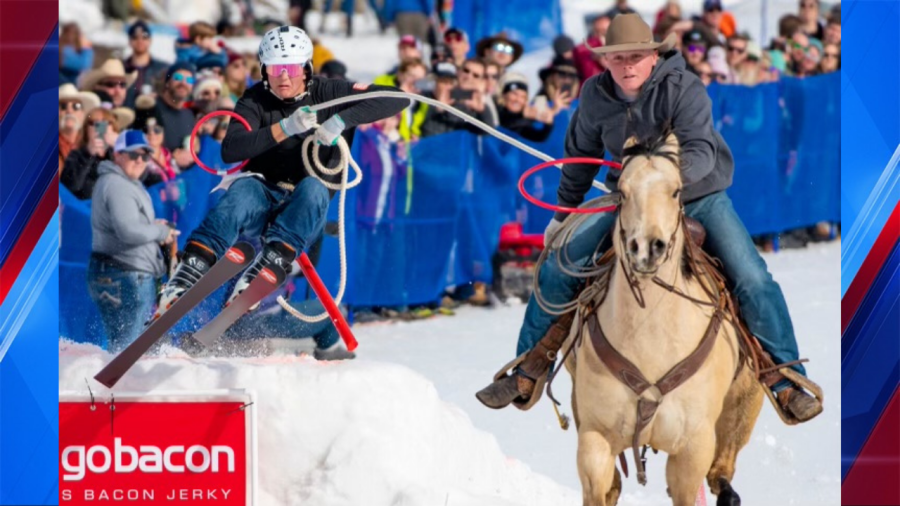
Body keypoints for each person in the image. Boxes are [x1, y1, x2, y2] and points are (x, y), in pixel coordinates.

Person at [475, 14, 823, 424]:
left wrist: (660, 179)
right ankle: (528, 369)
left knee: (752, 276)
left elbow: (701, 150)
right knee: (558, 264)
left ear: (654, 57)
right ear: (605, 60)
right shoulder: (594, 96)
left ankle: (785, 378)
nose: (627, 65)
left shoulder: (684, 88)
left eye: (636, 56)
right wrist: (563, 214)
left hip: (697, 196)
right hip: (628, 200)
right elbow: (577, 161)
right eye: (618, 57)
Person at [154, 27, 407, 358]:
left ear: (306, 68)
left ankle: (270, 265)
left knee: (315, 187)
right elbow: (231, 149)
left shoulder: (329, 91)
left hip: (304, 209)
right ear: (264, 70)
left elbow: (397, 97)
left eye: (290, 69)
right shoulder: (254, 99)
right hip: (264, 193)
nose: (283, 78)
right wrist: (283, 128)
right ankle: (190, 270)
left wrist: (340, 121)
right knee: (240, 194)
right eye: (275, 69)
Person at [88, 130, 179, 352]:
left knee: (122, 346)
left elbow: (123, 223)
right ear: (117, 155)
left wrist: (153, 224)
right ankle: (121, 385)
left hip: (120, 272)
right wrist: (159, 232)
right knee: (128, 349)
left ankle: (118, 383)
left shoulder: (122, 182)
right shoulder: (118, 184)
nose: (139, 161)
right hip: (125, 274)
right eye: (132, 155)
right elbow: (128, 231)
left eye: (145, 156)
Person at [61, 107, 120, 199]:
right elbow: (71, 187)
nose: (100, 128)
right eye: (94, 123)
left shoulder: (121, 153)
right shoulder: (76, 155)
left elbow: (138, 178)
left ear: (113, 128)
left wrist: (121, 149)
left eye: (105, 123)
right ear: (86, 130)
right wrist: (88, 154)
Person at [123, 21, 170, 108]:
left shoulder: (163, 69)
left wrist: (159, 97)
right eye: (135, 37)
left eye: (144, 37)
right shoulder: (121, 68)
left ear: (150, 40)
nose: (140, 41)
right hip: (127, 115)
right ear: (129, 41)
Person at [496, 73, 554, 143]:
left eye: (523, 97)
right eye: (514, 94)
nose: (518, 100)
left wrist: (548, 124)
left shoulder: (521, 119)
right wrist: (525, 118)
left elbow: (537, 136)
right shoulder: (495, 110)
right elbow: (505, 125)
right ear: (504, 95)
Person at [154, 62, 197, 152]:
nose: (183, 83)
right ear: (167, 83)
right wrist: (171, 158)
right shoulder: (152, 108)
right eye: (178, 78)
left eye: (189, 80)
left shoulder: (189, 116)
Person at [59, 84, 100, 173]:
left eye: (76, 106)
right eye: (63, 106)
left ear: (83, 114)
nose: (69, 111)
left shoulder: (90, 142)